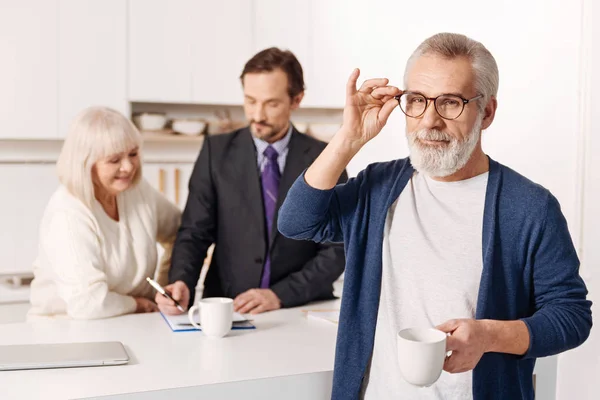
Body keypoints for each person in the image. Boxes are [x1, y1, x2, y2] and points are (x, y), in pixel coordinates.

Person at [278, 33, 592, 399]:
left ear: (486, 112)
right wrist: (348, 139)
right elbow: (297, 221)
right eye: (417, 100)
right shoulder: (379, 187)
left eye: (450, 103)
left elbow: (571, 315)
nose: (430, 120)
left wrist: (490, 337)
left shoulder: (529, 207)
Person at [156, 48, 347, 316]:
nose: (257, 115)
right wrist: (181, 282)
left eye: (271, 103)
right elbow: (194, 232)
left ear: (296, 100)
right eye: (250, 101)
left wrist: (280, 295)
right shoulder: (215, 152)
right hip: (226, 308)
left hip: (299, 308)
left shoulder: (326, 158)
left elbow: (338, 248)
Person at [28, 107, 181, 320]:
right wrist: (137, 304)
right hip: (64, 330)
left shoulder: (138, 191)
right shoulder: (68, 212)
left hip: (133, 323)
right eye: (114, 160)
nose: (128, 167)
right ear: (86, 163)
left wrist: (165, 287)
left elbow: (181, 230)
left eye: (133, 154)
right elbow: (87, 303)